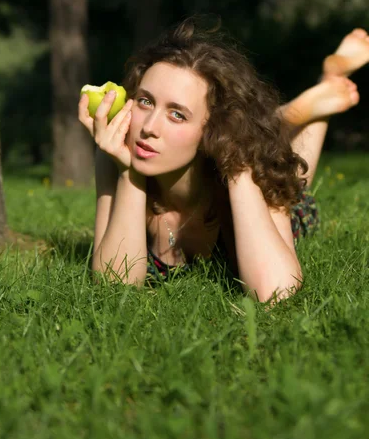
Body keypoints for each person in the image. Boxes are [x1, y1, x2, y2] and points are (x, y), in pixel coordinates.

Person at [78, 18, 368, 302]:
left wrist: (238, 160)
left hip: (255, 183)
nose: (148, 127)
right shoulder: (116, 151)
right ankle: (291, 113)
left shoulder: (248, 160)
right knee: (270, 143)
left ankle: (325, 90)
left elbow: (276, 292)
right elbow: (114, 286)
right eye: (145, 101)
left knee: (293, 179)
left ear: (213, 129)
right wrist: (128, 173)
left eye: (177, 114)